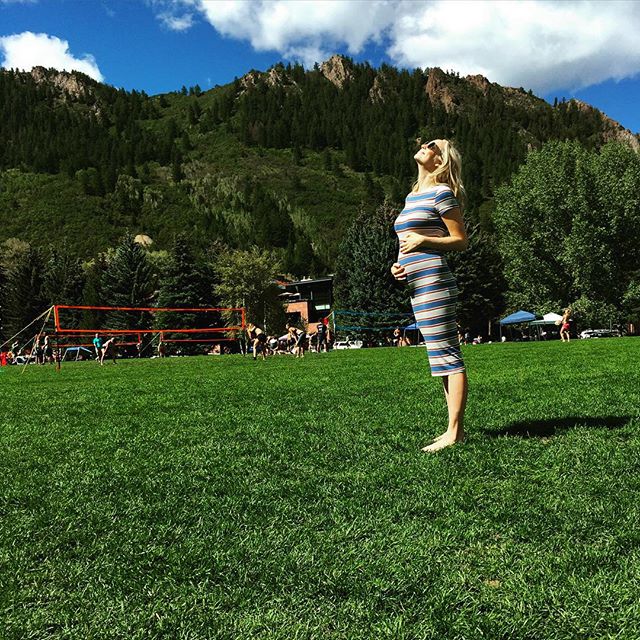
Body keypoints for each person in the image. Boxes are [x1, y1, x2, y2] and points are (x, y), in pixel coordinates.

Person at [391, 138, 469, 453]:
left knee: (448, 355)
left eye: (432, 145)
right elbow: (407, 243)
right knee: (438, 358)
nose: (424, 145)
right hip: (416, 283)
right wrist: (398, 267)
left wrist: (423, 240)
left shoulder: (442, 193)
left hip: (435, 281)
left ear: (441, 160)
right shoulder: (413, 196)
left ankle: (455, 431)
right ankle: (451, 429)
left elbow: (460, 240)